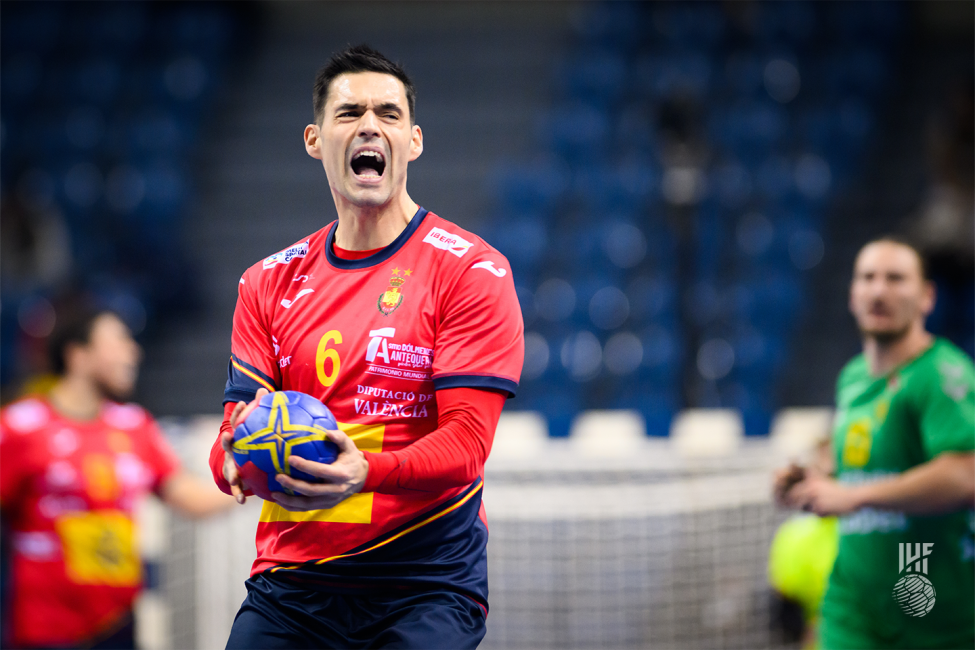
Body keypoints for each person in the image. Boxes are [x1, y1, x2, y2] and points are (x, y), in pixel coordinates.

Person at [209, 45, 523, 649]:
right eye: (350, 112)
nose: (370, 126)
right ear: (314, 138)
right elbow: (234, 429)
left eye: (389, 113)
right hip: (293, 586)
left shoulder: (471, 270)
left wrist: (365, 473)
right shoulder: (265, 282)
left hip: (424, 583)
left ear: (414, 140)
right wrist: (231, 461)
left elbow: (466, 445)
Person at [775, 236, 975, 649]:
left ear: (927, 297)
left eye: (896, 279)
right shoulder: (852, 377)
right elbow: (861, 459)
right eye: (867, 278)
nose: (879, 290)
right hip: (853, 606)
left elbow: (965, 475)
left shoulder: (941, 376)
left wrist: (853, 497)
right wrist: (811, 479)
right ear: (852, 295)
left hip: (929, 605)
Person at [0, 305, 234, 650]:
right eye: (118, 340)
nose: (133, 351)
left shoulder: (133, 425)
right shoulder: (22, 426)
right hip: (44, 631)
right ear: (78, 355)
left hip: (118, 627)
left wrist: (259, 475)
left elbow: (190, 498)